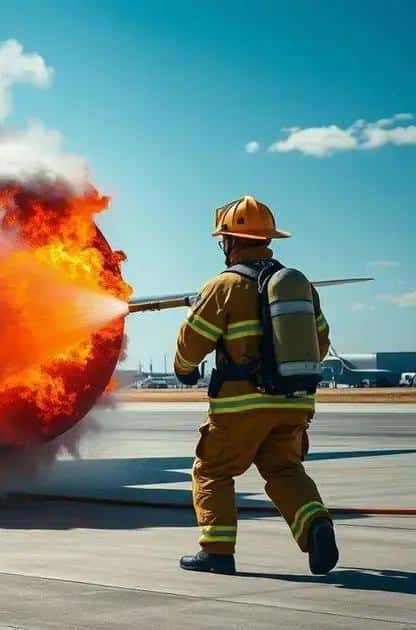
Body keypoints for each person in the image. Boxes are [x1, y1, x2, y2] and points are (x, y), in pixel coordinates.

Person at [175, 196, 339, 575]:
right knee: (284, 470)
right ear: (267, 239)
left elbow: (192, 340)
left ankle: (216, 551)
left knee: (213, 470)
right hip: (294, 402)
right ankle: (315, 524)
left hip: (240, 406)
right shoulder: (299, 287)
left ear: (231, 241)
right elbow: (322, 343)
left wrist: (184, 368)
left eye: (224, 240)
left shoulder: (224, 285)